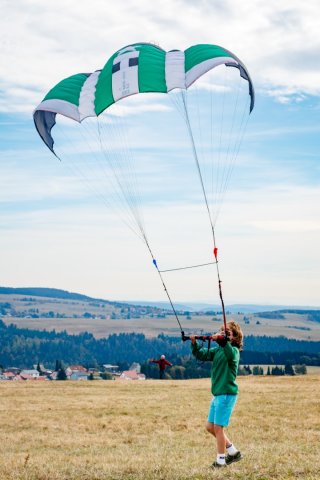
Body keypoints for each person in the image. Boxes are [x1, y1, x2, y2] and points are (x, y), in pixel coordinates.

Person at [190, 321, 243, 468]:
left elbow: (230, 353)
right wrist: (194, 344)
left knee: (218, 428)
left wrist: (223, 341)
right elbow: (203, 354)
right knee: (210, 427)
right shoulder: (218, 351)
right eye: (222, 331)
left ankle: (220, 461)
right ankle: (233, 452)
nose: (223, 334)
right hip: (217, 394)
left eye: (227, 333)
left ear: (234, 337)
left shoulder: (233, 351)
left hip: (226, 394)